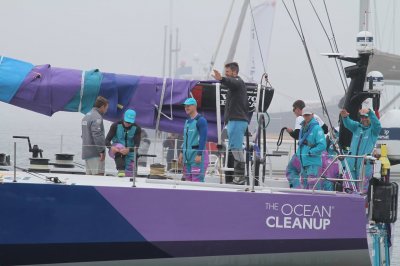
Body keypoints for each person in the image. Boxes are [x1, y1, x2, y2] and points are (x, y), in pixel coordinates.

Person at [212, 62, 248, 185]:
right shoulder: (234, 86)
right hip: (234, 121)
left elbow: (232, 82)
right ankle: (239, 177)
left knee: (237, 149)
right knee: (234, 148)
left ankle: (240, 177)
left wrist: (222, 79)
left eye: (227, 72)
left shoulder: (238, 82)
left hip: (238, 121)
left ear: (234, 72)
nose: (225, 74)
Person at [340, 108, 381, 193]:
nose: (364, 119)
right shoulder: (356, 127)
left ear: (369, 118)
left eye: (366, 117)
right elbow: (348, 123)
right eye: (362, 117)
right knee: (348, 188)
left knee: (362, 190)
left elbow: (377, 124)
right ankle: (347, 205)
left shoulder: (373, 131)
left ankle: (362, 206)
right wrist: (345, 117)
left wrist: (370, 113)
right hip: (351, 163)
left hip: (364, 165)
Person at [178, 98, 209, 182]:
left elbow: (203, 138)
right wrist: (181, 152)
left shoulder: (201, 120)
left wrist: (199, 154)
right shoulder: (187, 122)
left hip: (197, 156)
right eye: (185, 106)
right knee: (188, 181)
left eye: (188, 106)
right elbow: (185, 139)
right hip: (187, 157)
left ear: (195, 106)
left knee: (197, 181)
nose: (186, 108)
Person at [296, 108, 327, 190]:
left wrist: (311, 152)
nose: (306, 117)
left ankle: (316, 202)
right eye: (305, 115)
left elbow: (322, 145)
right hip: (304, 162)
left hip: (313, 163)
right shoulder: (302, 128)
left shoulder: (317, 128)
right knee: (304, 187)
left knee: (314, 188)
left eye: (308, 115)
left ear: (312, 115)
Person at [105, 109, 141, 177]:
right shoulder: (115, 125)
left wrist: (128, 150)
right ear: (124, 118)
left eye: (130, 122)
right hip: (116, 149)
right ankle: (121, 169)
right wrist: (111, 147)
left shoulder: (137, 128)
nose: (127, 124)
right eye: (126, 121)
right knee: (119, 146)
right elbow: (106, 140)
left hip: (130, 152)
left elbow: (137, 146)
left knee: (129, 175)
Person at [81, 96, 109, 175]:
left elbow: (83, 135)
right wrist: (102, 151)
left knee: (89, 180)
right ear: (102, 106)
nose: (106, 110)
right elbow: (97, 134)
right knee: (98, 177)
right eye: (106, 107)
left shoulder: (86, 116)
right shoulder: (97, 117)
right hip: (95, 154)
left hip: (86, 153)